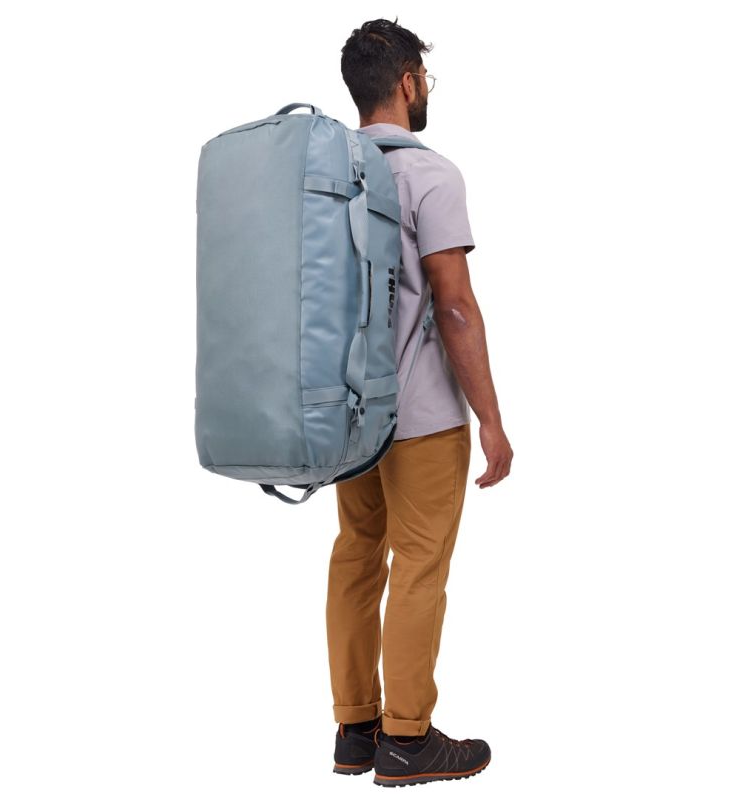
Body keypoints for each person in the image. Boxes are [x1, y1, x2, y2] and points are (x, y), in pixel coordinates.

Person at [327, 18, 514, 787]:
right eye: (424, 77)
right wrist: (492, 421)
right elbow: (455, 305)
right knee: (419, 566)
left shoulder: (326, 174)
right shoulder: (431, 175)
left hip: (347, 413)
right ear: (407, 82)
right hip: (424, 417)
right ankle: (407, 738)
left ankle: (355, 728)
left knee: (356, 555)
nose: (426, 88)